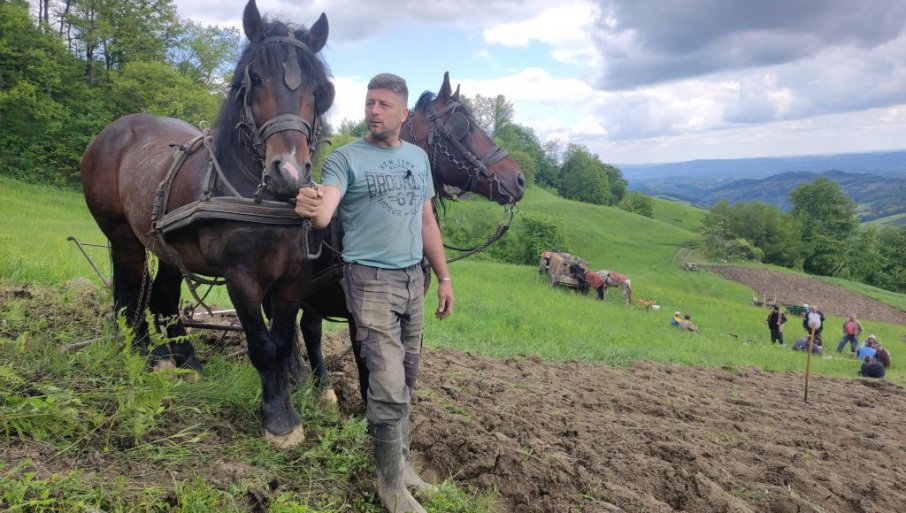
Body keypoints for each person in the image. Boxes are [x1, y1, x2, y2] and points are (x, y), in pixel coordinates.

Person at [294, 73, 452, 513]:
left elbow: (427, 223)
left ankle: (403, 467)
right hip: (369, 282)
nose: (374, 111)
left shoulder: (418, 158)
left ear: (404, 113)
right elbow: (325, 210)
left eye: (384, 104)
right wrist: (313, 205)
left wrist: (444, 278)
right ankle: (390, 488)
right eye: (369, 103)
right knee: (386, 385)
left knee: (407, 380)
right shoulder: (345, 159)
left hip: (412, 281)